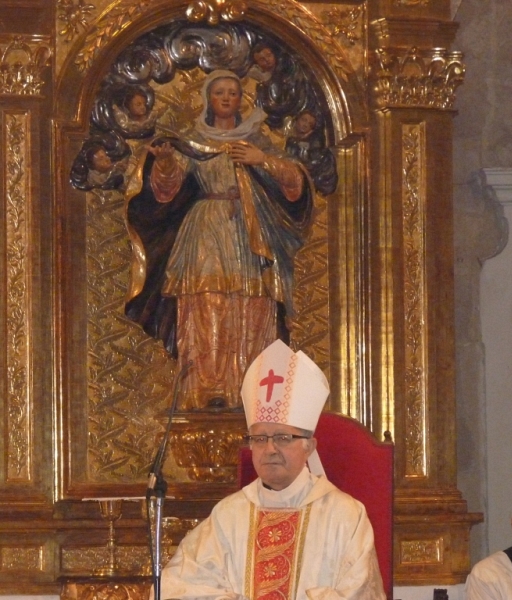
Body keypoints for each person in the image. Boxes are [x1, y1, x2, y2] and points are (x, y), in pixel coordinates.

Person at [124, 70, 314, 410]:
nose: (227, 98)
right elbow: (167, 189)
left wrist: (263, 160)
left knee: (252, 305)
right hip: (206, 230)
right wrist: (165, 161)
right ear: (208, 99)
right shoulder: (193, 139)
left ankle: (252, 389)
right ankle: (207, 388)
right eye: (219, 93)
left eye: (233, 92)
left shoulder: (257, 140)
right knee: (207, 305)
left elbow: (295, 182)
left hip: (250, 231)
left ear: (241, 99)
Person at [158, 339, 386, 599]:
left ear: (309, 447)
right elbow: (178, 587)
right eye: (259, 438)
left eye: (283, 438)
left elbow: (361, 592)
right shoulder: (227, 515)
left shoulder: (346, 516)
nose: (270, 449)